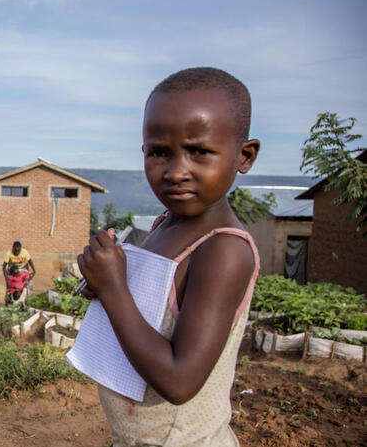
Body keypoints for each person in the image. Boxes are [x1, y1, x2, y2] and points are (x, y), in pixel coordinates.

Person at [76, 67, 261, 446]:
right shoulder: (163, 226)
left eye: (199, 152)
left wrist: (113, 289)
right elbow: (146, 313)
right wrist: (102, 279)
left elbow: (179, 381)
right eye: (159, 152)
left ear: (244, 156)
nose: (176, 172)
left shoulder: (223, 249)